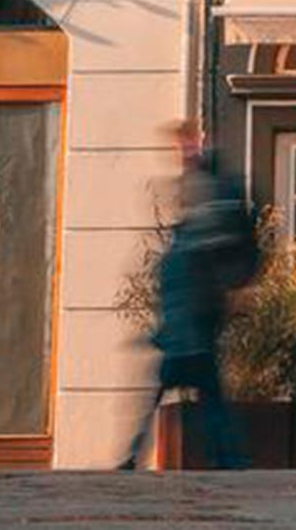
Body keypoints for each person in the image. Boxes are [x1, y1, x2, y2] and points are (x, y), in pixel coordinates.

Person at [120, 121, 259, 470]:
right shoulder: (198, 185)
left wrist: (226, 282)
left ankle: (226, 458)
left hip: (197, 310)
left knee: (198, 391)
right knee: (204, 392)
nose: (183, 152)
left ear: (198, 142)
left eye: (186, 144)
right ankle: (226, 458)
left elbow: (230, 239)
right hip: (191, 311)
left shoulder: (215, 185)